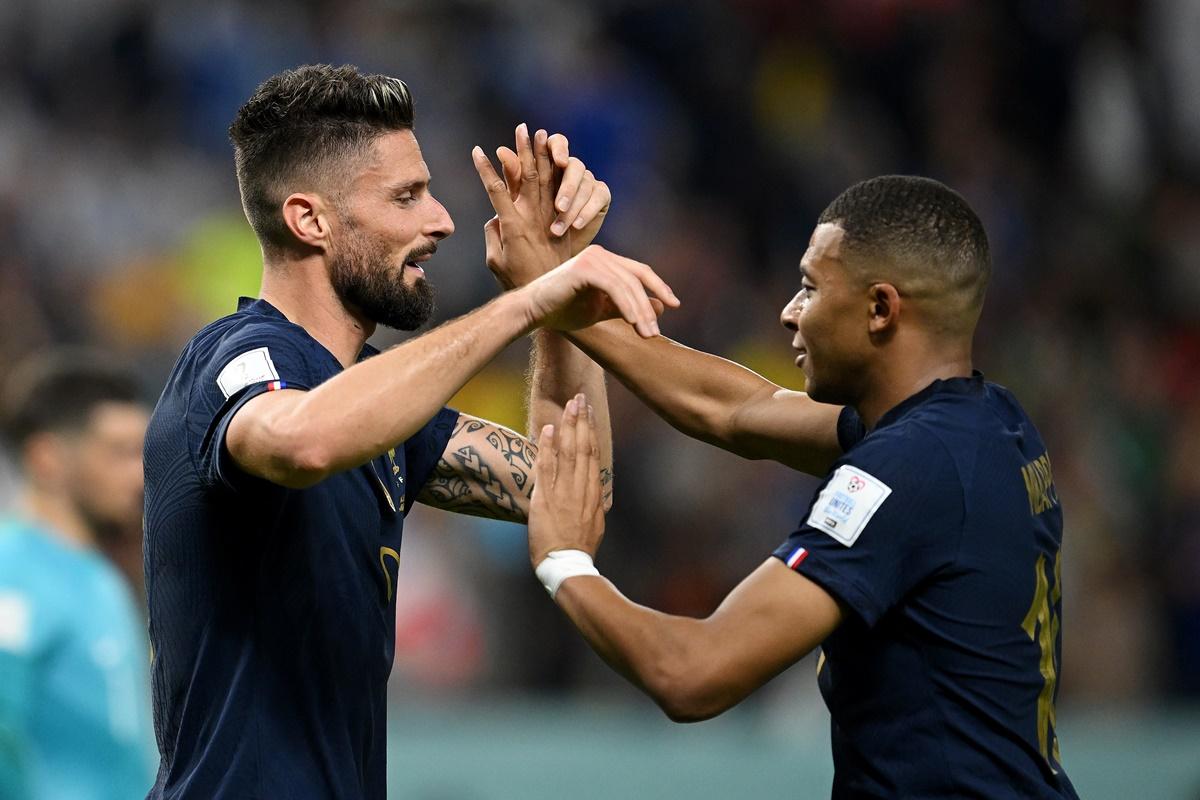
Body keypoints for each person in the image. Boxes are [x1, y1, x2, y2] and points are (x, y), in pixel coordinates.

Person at [142, 63, 677, 799]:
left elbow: (574, 489)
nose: (443, 221)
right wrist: (523, 307)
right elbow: (302, 441)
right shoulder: (234, 359)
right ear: (310, 220)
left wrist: (557, 284)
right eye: (407, 197)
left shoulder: (378, 404)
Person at [504, 175, 1079, 798]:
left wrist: (564, 561)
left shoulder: (908, 467)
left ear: (881, 309)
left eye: (809, 287)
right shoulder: (989, 420)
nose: (789, 311)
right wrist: (555, 292)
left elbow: (692, 672)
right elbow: (730, 408)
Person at [0, 351, 156, 800]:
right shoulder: (14, 571)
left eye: (142, 452)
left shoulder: (98, 578)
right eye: (120, 453)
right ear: (46, 458)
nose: (140, 475)